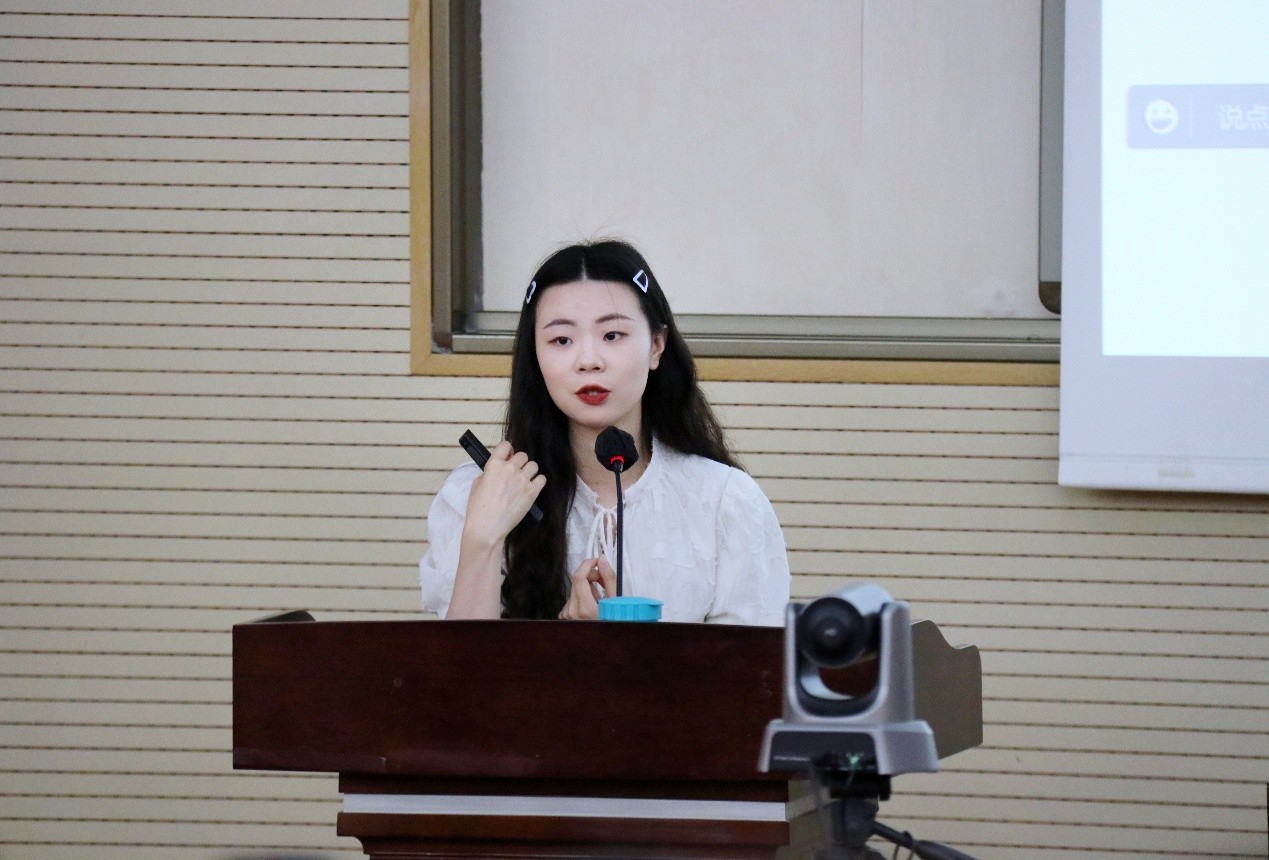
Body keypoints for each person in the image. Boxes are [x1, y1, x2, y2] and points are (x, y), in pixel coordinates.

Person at [419, 240, 790, 624]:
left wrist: (613, 650)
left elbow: (748, 661)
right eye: (561, 340)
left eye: (612, 335)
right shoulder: (476, 496)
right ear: (536, 355)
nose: (588, 361)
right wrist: (482, 538)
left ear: (656, 346)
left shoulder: (726, 502)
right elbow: (461, 662)